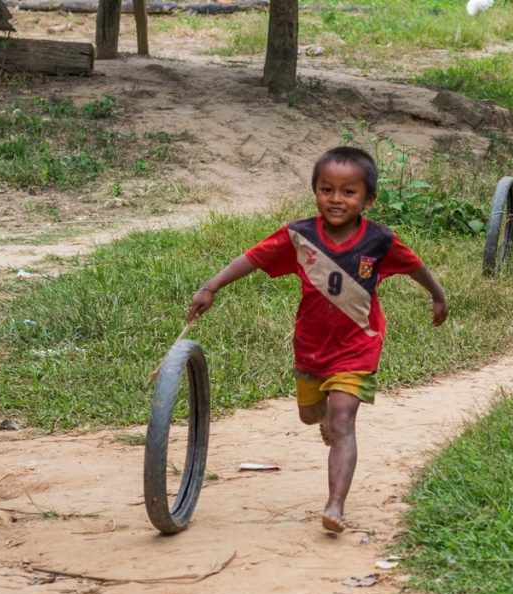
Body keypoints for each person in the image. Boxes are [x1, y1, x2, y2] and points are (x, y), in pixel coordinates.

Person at [187, 146, 449, 533]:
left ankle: (335, 505)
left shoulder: (380, 241)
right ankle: (323, 415)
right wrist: (210, 286)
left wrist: (438, 294)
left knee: (343, 421)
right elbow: (253, 257)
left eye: (348, 192)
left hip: (358, 347)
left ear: (368, 199)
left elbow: (416, 267)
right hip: (311, 348)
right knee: (312, 414)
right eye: (327, 190)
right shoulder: (299, 235)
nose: (336, 199)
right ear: (315, 191)